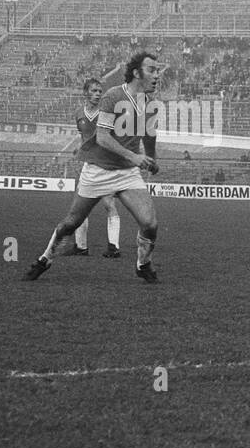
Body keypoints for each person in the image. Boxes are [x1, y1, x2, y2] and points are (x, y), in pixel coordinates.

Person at [24, 50, 163, 283]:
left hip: (127, 173)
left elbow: (149, 136)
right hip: (97, 170)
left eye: (157, 70)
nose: (157, 75)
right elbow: (103, 138)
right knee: (71, 223)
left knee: (150, 224)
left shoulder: (149, 103)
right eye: (152, 70)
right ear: (137, 72)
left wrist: (150, 158)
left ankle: (143, 264)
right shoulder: (113, 95)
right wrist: (136, 156)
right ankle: (45, 258)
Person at [64, 78, 123, 258]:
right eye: (94, 91)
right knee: (79, 207)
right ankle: (81, 247)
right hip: (89, 165)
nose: (98, 94)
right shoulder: (79, 113)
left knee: (108, 203)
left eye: (100, 91)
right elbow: (84, 136)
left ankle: (114, 247)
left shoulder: (106, 113)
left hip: (106, 165)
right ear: (85, 93)